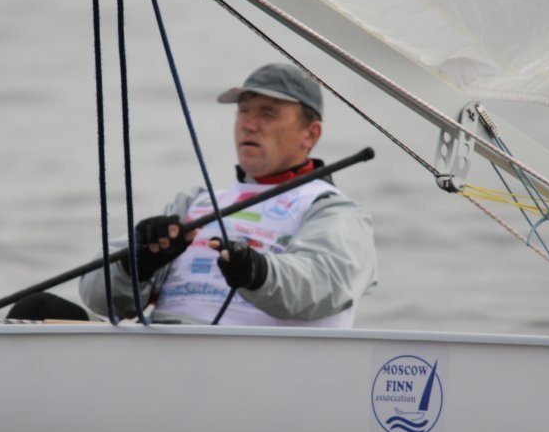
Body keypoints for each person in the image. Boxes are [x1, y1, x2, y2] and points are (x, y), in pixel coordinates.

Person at [77, 63, 378, 327]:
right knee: (50, 310)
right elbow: (96, 296)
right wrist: (136, 263)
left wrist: (257, 272)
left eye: (268, 113)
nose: (248, 124)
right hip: (161, 350)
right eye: (243, 110)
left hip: (253, 360)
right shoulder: (194, 202)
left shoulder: (334, 210)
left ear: (310, 134)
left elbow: (325, 284)